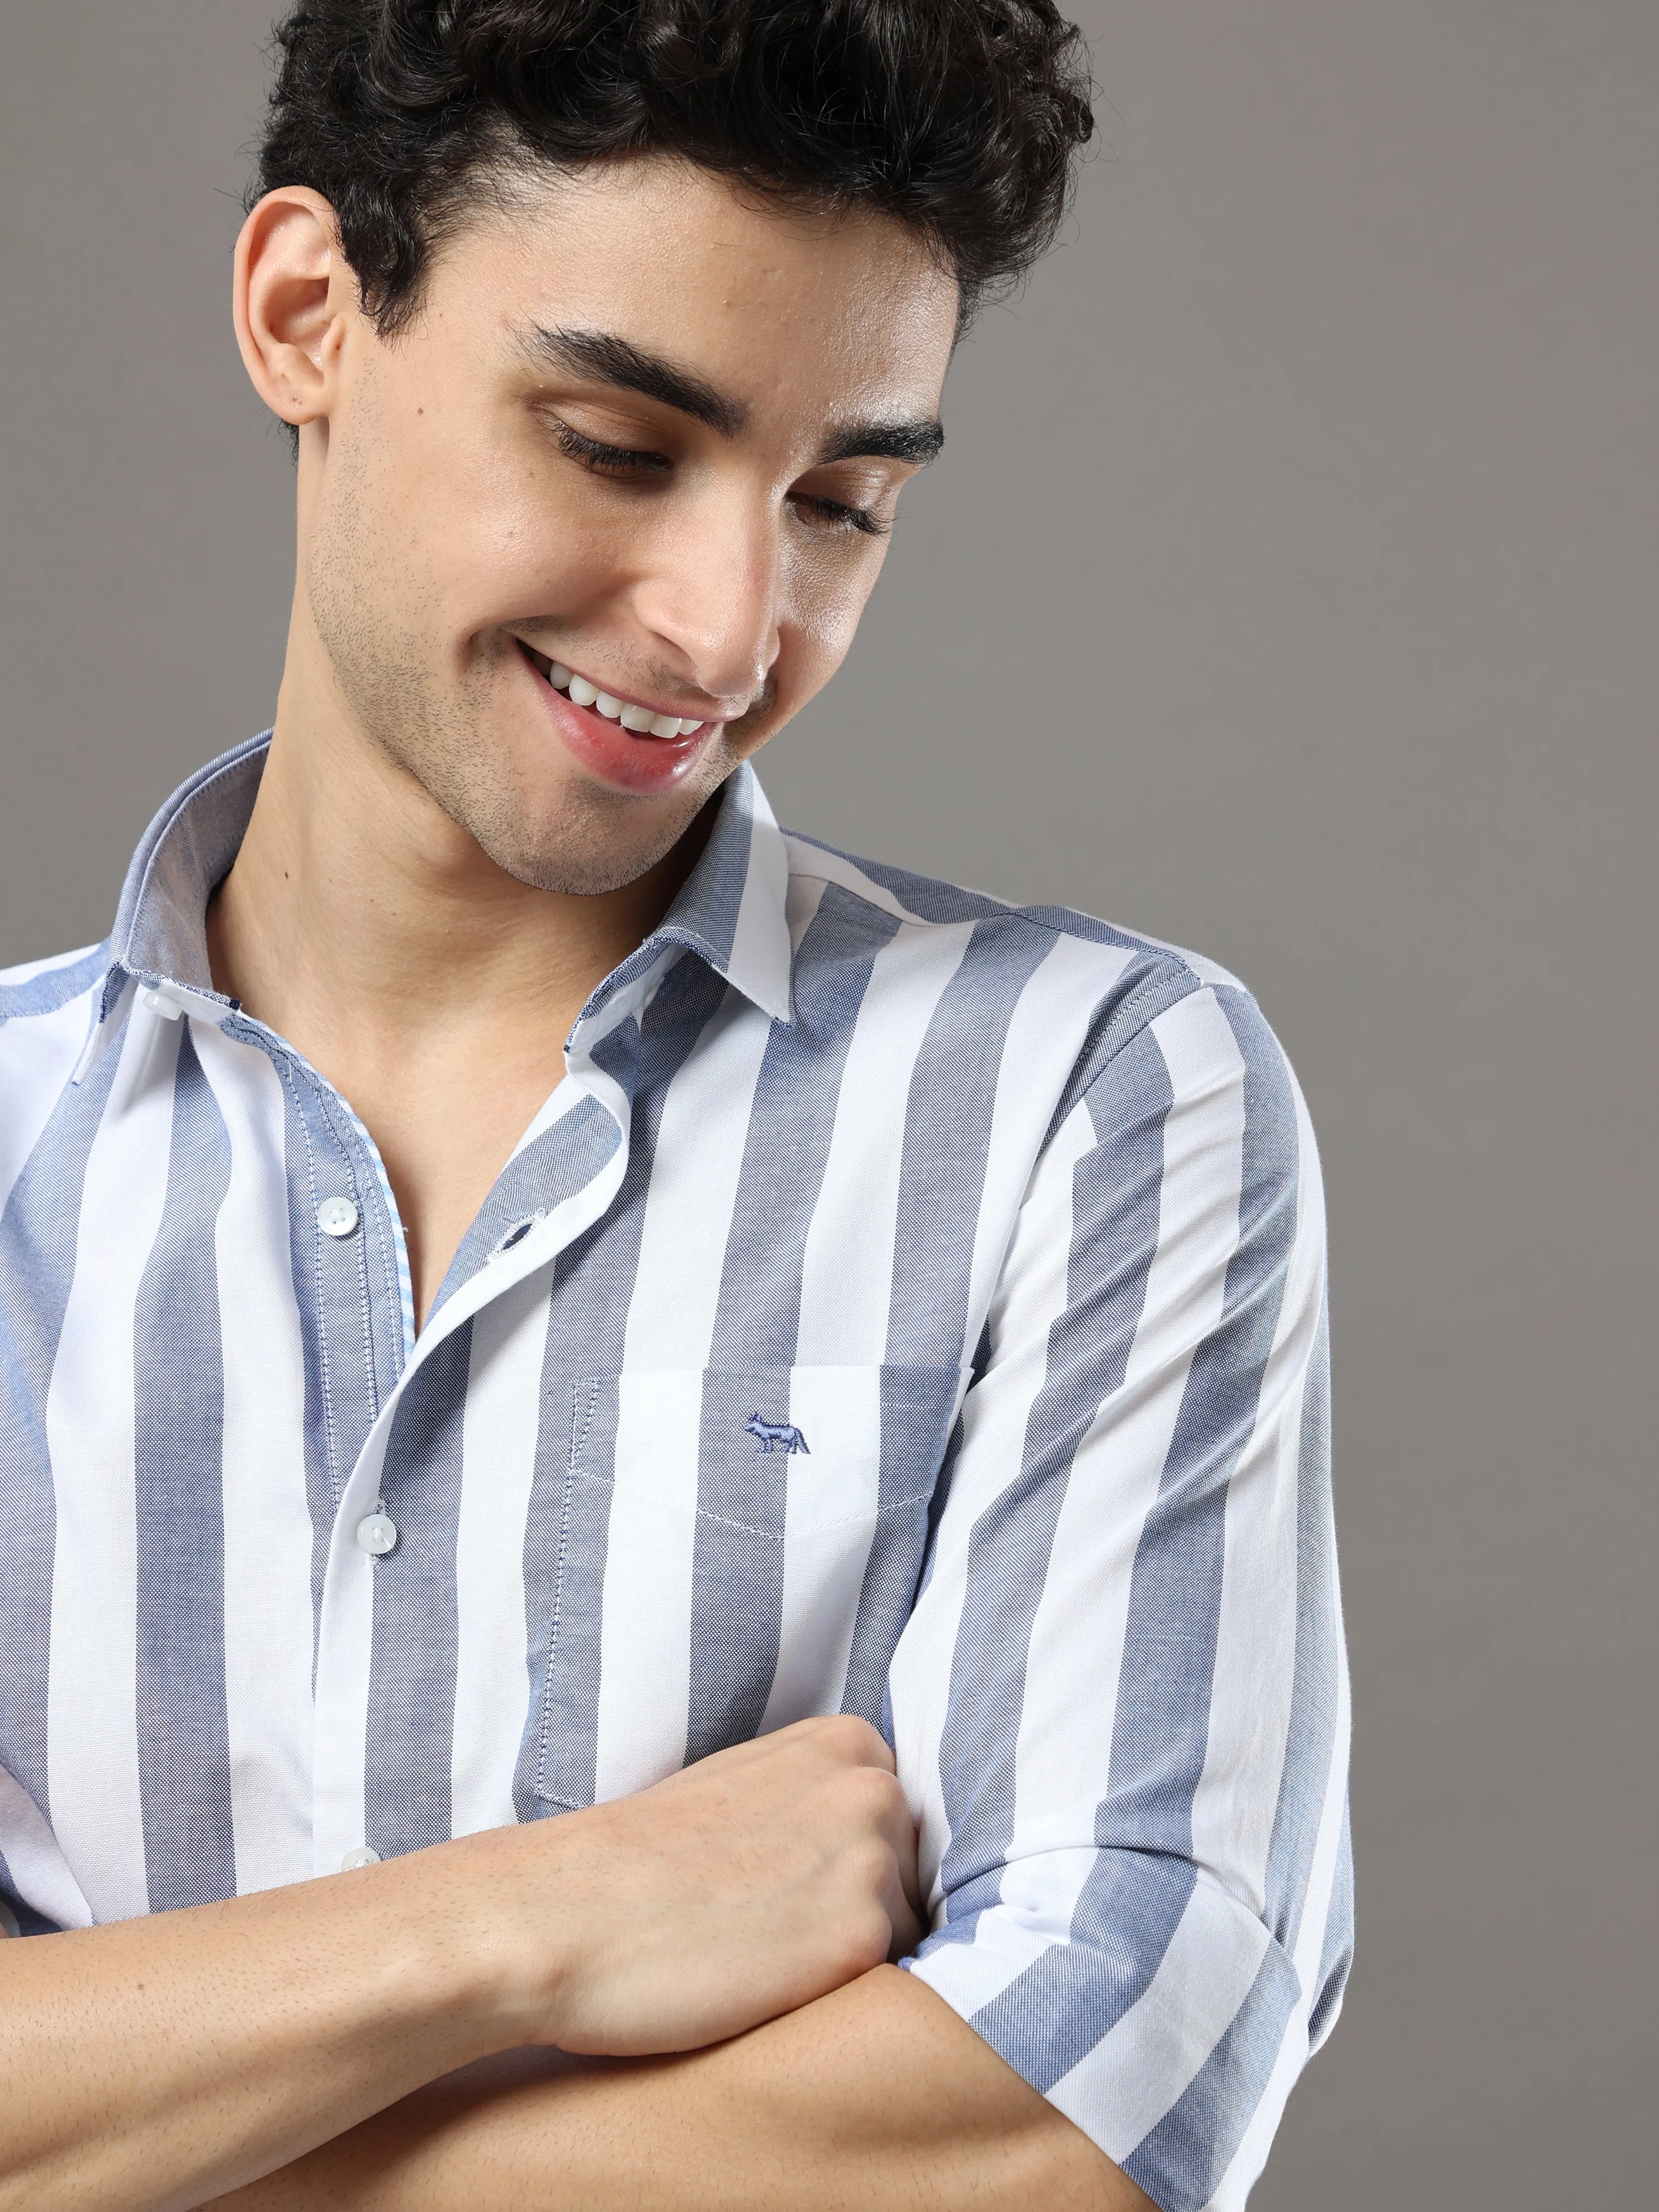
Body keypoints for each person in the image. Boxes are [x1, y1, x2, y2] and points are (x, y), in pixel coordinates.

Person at [0, 3, 1352, 2206]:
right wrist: (541, 1921)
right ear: (308, 312)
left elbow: (1104, 2089)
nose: (731, 628)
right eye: (621, 446)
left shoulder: (1085, 1096)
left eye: (841, 502)